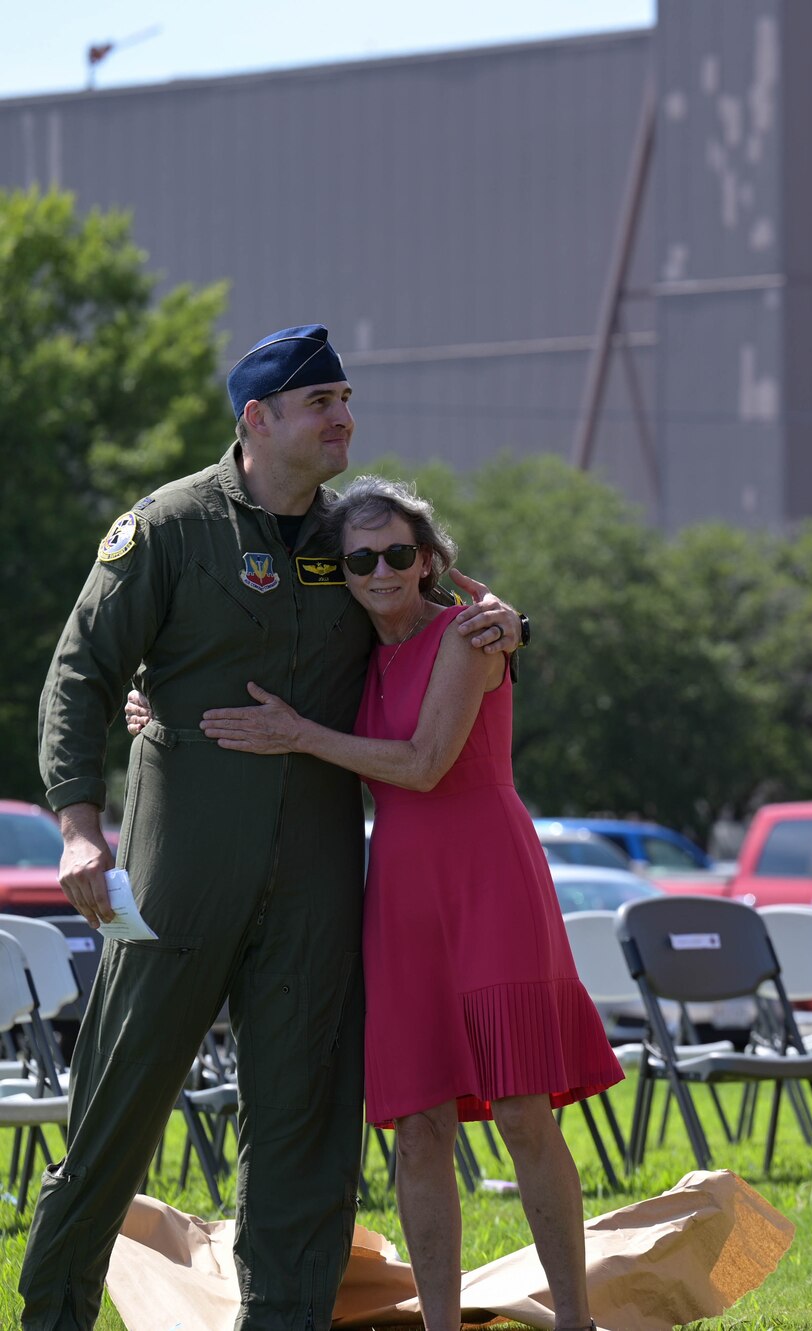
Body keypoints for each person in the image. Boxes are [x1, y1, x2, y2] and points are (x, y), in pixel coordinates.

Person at [26, 325, 522, 1331]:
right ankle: (55, 1310)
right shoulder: (169, 526)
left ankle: (286, 1316)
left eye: (345, 396)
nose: (343, 416)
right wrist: (79, 826)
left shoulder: (356, 539)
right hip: (179, 876)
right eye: (320, 400)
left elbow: (457, 607)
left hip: (317, 878)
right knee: (118, 1109)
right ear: (257, 420)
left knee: (305, 1123)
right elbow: (82, 670)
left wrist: (511, 622)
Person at [194, 475, 622, 1331]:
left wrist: (304, 735)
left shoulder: (469, 632)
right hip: (399, 891)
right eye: (362, 557)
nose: (381, 569)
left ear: (429, 560)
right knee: (418, 1124)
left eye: (398, 552)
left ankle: (577, 1321)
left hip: (490, 880)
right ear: (341, 569)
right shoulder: (353, 648)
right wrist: (148, 704)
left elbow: (426, 763)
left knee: (520, 1112)